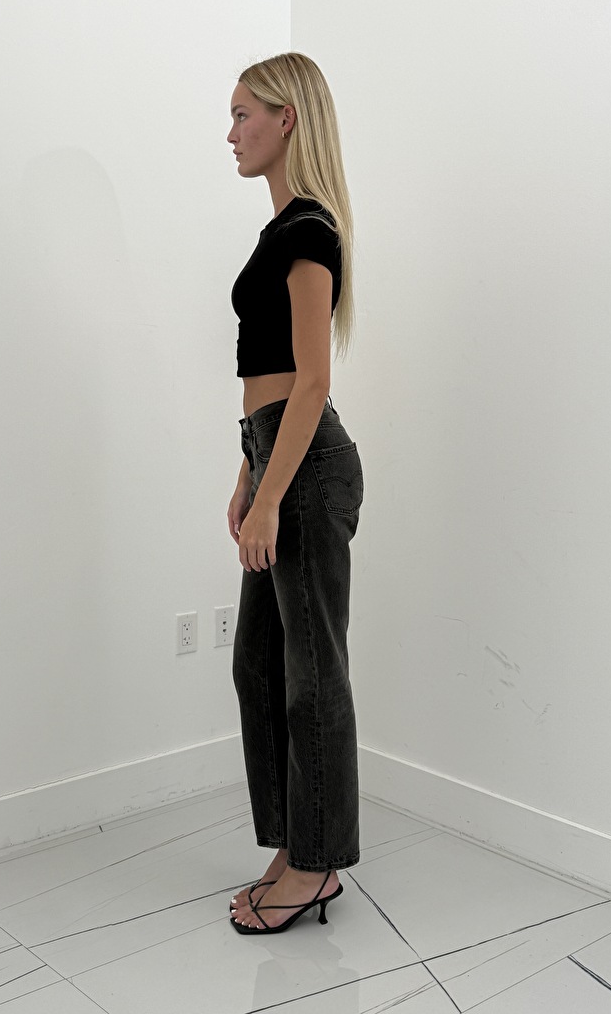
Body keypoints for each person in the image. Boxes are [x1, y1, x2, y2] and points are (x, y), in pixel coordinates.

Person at [225, 53, 363, 935]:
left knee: (312, 674)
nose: (231, 133)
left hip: (307, 467)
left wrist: (273, 494)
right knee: (260, 662)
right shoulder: (280, 229)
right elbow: (265, 379)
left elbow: (311, 381)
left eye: (244, 114)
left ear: (288, 119)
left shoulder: (310, 228)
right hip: (276, 454)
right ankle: (293, 845)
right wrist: (247, 475)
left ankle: (316, 867)